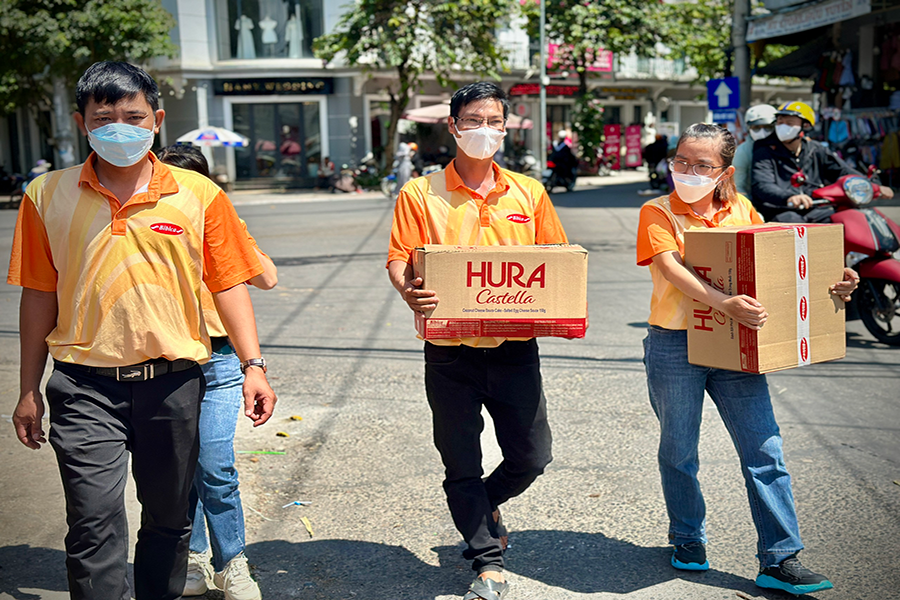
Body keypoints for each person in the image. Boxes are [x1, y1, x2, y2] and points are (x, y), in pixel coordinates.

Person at [8, 61, 277, 600]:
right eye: (103, 117)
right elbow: (39, 294)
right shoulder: (46, 194)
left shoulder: (199, 194)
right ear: (83, 124)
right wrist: (27, 390)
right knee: (93, 523)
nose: (119, 127)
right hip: (84, 386)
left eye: (132, 116)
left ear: (156, 120)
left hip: (175, 384)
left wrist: (253, 366)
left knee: (169, 522)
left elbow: (228, 284)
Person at [636, 123, 856, 596]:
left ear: (724, 172)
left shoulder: (741, 209)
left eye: (702, 166)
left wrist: (831, 281)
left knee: (765, 449)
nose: (688, 172)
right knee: (679, 449)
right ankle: (687, 539)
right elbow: (671, 269)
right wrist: (723, 302)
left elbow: (775, 261)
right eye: (681, 162)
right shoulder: (657, 211)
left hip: (735, 343)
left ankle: (780, 558)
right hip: (676, 345)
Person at [387, 81, 568, 600]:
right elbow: (400, 258)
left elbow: (553, 260)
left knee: (532, 455)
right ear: (453, 126)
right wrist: (409, 292)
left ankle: (483, 505)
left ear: (506, 128)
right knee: (459, 458)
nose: (484, 131)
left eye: (493, 122)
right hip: (448, 350)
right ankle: (486, 560)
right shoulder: (420, 193)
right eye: (473, 121)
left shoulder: (529, 193)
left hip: (514, 348)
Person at [157, 145, 277, 600]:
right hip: (169, 362)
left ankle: (232, 562)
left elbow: (267, 279)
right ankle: (193, 558)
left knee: (214, 465)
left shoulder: (222, 219)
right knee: (179, 470)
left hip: (223, 361)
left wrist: (229, 231)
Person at [751, 101, 894, 222]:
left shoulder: (816, 149)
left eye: (789, 123)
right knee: (794, 225)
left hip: (815, 208)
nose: (782, 126)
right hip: (780, 210)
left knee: (851, 219)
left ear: (805, 126)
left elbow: (844, 171)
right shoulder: (764, 150)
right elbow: (762, 185)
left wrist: (873, 186)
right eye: (780, 122)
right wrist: (789, 197)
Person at [733, 104, 776, 197]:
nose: (762, 132)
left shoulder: (784, 147)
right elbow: (739, 187)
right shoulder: (742, 153)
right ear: (749, 128)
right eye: (756, 128)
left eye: (767, 127)